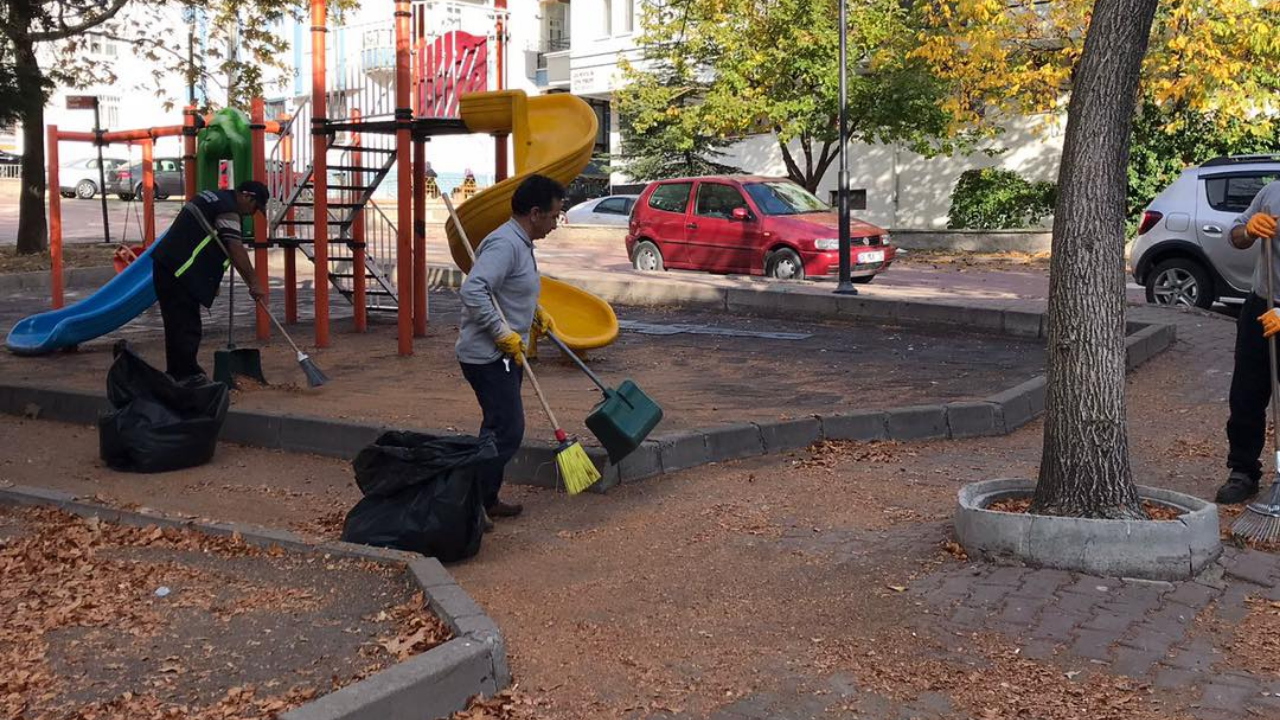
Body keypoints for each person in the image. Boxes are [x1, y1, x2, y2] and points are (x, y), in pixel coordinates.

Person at [456, 174, 563, 524]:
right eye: (553, 216)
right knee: (507, 430)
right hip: (487, 356)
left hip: (506, 354)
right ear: (534, 213)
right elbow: (474, 291)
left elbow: (511, 290)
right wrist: (502, 332)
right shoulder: (505, 244)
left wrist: (534, 314)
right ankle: (468, 504)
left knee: (497, 428)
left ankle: (485, 499)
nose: (554, 224)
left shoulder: (521, 243)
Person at [150, 180, 269, 381]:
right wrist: (254, 283)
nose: (251, 213)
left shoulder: (213, 198)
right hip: (178, 272)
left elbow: (207, 240)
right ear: (247, 196)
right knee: (186, 325)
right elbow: (235, 248)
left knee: (178, 324)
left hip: (169, 267)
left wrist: (209, 281)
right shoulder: (228, 210)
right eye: (255, 208)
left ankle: (181, 373)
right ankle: (185, 377)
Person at [1216, 182, 1280, 504]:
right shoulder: (1272, 193)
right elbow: (1235, 236)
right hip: (1260, 305)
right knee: (1246, 394)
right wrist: (1250, 230)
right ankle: (1243, 470)